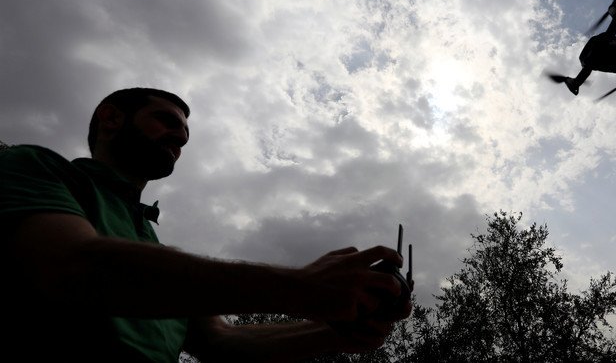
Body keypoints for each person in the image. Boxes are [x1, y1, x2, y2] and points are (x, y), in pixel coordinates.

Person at [0, 88, 411, 362]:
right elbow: (75, 268)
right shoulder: (33, 166)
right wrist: (302, 287)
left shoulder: (151, 246)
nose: (181, 137)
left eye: (184, 131)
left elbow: (220, 342)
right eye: (166, 120)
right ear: (110, 119)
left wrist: (337, 331)